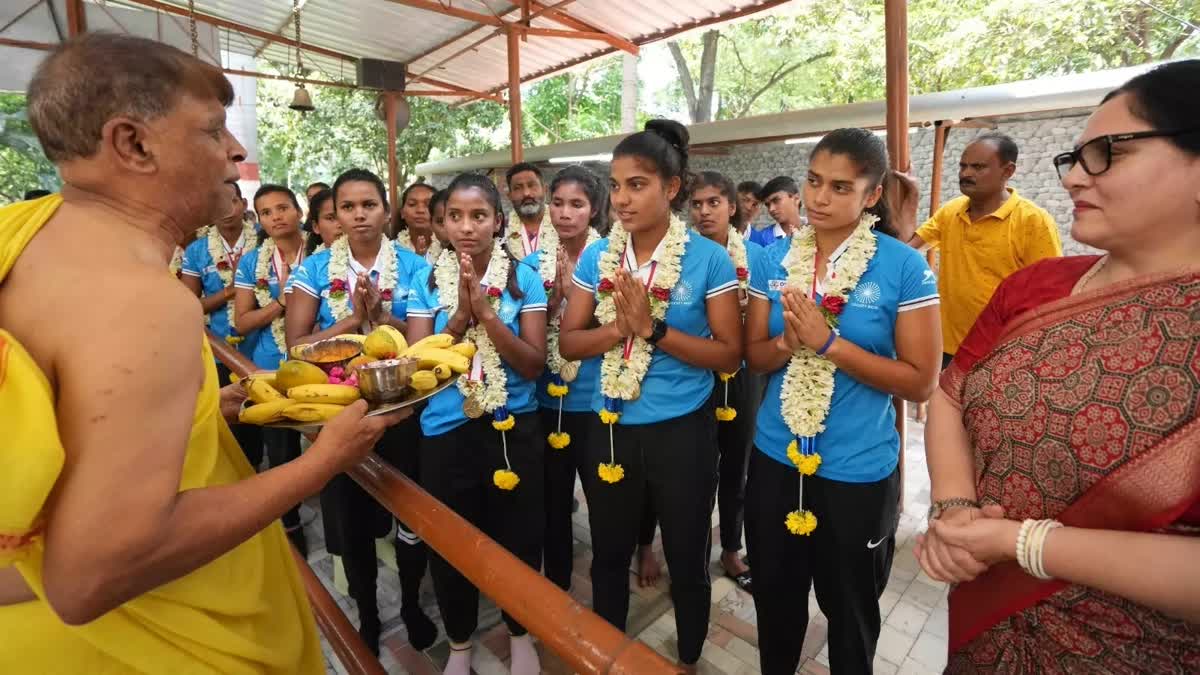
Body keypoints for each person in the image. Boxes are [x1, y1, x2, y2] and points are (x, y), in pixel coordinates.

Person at [0, 32, 406, 674]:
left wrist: (204, 411)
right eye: (214, 130)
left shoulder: (24, 237)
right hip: (126, 651)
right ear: (132, 144)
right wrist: (320, 463)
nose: (237, 150)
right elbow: (89, 578)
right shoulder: (139, 299)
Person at [915, 60, 1200, 674]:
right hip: (985, 620)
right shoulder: (1037, 288)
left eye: (1107, 153)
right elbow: (950, 395)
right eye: (1073, 158)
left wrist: (1024, 543)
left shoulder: (1031, 230)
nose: (1075, 178)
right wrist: (954, 510)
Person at [743, 128, 941, 675]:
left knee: (850, 609)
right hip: (775, 457)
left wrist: (828, 343)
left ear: (872, 195)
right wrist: (787, 343)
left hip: (857, 468)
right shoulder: (775, 259)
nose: (819, 198)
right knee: (776, 601)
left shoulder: (902, 266)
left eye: (839, 186)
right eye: (812, 181)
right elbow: (755, 358)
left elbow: (921, 381)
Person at [559, 119, 743, 672]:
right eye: (615, 186)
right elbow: (569, 342)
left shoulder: (708, 259)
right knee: (610, 554)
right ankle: (606, 656)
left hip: (681, 431)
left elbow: (730, 355)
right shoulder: (598, 258)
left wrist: (655, 330)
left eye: (636, 184)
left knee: (687, 556)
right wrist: (620, 328)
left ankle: (687, 658)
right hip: (609, 426)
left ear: (672, 188)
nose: (621, 199)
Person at [285, 168, 437, 654]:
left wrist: (384, 317)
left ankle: (412, 604)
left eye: (368, 205)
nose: (358, 215)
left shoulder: (414, 267)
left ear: (385, 210)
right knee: (350, 523)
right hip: (340, 419)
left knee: (410, 518)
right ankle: (368, 617)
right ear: (335, 216)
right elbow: (295, 346)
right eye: (347, 207)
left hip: (403, 413)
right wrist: (353, 318)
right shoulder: (313, 270)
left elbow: (422, 344)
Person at [406, 173, 548, 675]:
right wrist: (459, 318)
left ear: (497, 221)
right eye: (456, 217)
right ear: (441, 224)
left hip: (514, 427)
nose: (467, 227)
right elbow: (421, 368)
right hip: (447, 431)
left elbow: (532, 364)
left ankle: (521, 631)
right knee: (452, 541)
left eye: (479, 215)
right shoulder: (422, 280)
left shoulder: (523, 277)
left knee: (520, 535)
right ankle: (461, 642)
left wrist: (487, 314)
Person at [896, 132, 1062, 368]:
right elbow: (906, 252)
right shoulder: (951, 212)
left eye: (978, 167)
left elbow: (1049, 295)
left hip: (1002, 351)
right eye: (963, 166)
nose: (966, 174)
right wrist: (911, 198)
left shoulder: (1033, 221)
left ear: (1008, 171)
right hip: (949, 349)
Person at [523, 165, 604, 592]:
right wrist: (548, 302)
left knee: (603, 496)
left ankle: (607, 573)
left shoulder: (610, 258)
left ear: (593, 210)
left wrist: (574, 297)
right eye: (557, 203)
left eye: (576, 204)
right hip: (546, 399)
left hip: (596, 399)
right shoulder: (531, 264)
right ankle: (556, 579)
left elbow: (619, 326)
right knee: (553, 497)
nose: (564, 213)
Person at [689, 170, 767, 592]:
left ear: (732, 207)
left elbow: (768, 315)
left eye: (713, 203)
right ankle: (692, 550)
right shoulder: (679, 257)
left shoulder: (756, 256)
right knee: (698, 468)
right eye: (697, 204)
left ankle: (731, 549)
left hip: (741, 374)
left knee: (738, 463)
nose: (704, 212)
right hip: (697, 369)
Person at [233, 184, 309, 554]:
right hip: (270, 365)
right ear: (259, 219)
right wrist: (281, 301)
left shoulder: (326, 252)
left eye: (283, 208)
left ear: (299, 211)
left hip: (317, 365)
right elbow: (242, 322)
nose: (276, 216)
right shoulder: (252, 262)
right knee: (280, 450)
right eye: (266, 212)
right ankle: (290, 520)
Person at [181, 179, 264, 465]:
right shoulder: (196, 251)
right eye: (217, 203)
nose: (226, 210)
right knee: (235, 427)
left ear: (243, 205)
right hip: (219, 349)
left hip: (263, 346)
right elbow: (191, 306)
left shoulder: (265, 242)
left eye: (233, 201)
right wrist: (230, 292)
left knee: (275, 429)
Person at [504, 162, 549, 258]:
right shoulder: (502, 231)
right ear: (509, 196)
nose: (526, 193)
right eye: (518, 188)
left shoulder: (562, 224)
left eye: (532, 185)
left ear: (545, 190)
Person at [394, 181, 442, 263]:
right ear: (402, 213)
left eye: (428, 204)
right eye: (412, 204)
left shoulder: (449, 249)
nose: (420, 210)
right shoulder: (391, 250)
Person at [750, 175, 804, 247]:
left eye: (776, 200)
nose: (771, 209)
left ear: (796, 199)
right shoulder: (762, 240)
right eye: (767, 205)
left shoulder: (817, 229)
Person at [303, 186, 340, 256]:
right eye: (331, 218)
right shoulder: (311, 265)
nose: (340, 224)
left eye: (343, 216)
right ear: (316, 227)